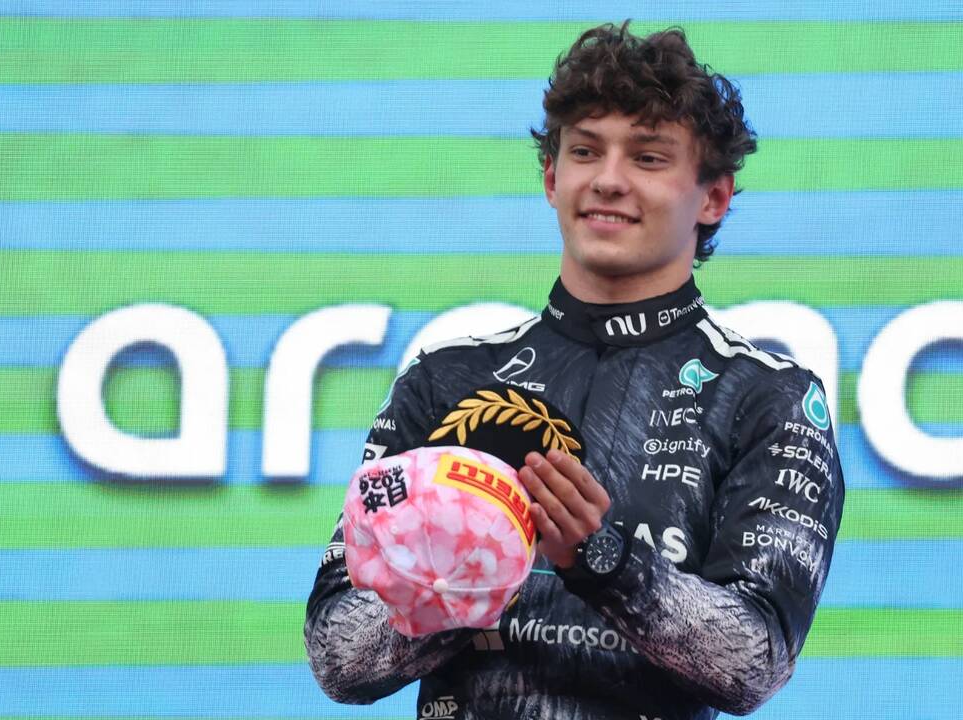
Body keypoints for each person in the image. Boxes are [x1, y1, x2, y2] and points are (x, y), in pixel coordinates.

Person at [306, 22, 845, 720]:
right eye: (586, 151)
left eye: (648, 158)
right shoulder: (444, 381)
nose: (609, 180)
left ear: (713, 197)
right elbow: (337, 657)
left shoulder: (769, 397)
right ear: (552, 178)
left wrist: (601, 559)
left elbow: (755, 660)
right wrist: (474, 568)